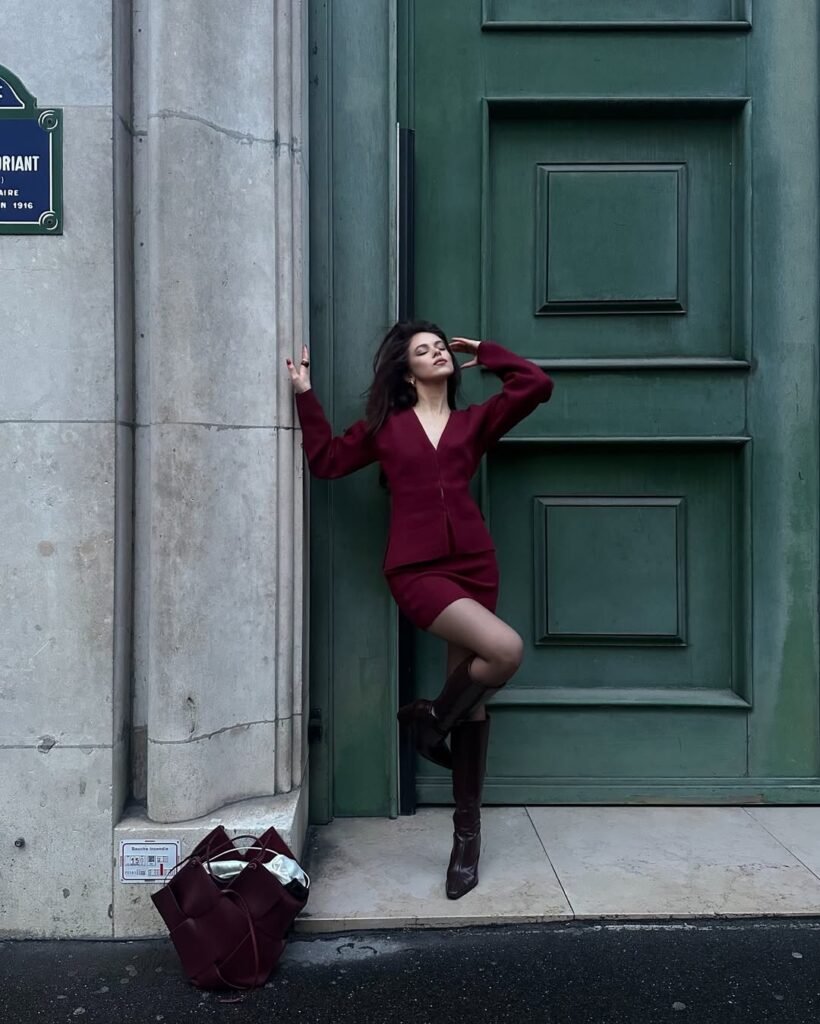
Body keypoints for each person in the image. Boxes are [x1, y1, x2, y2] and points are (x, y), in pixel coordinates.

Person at [286, 320, 554, 899]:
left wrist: (488, 351)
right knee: (505, 651)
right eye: (423, 350)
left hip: (475, 564)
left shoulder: (473, 422)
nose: (437, 354)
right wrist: (306, 397)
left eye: (441, 348)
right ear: (405, 370)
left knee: (472, 699)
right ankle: (432, 720)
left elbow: (534, 385)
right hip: (416, 569)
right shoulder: (387, 428)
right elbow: (327, 460)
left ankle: (465, 837)